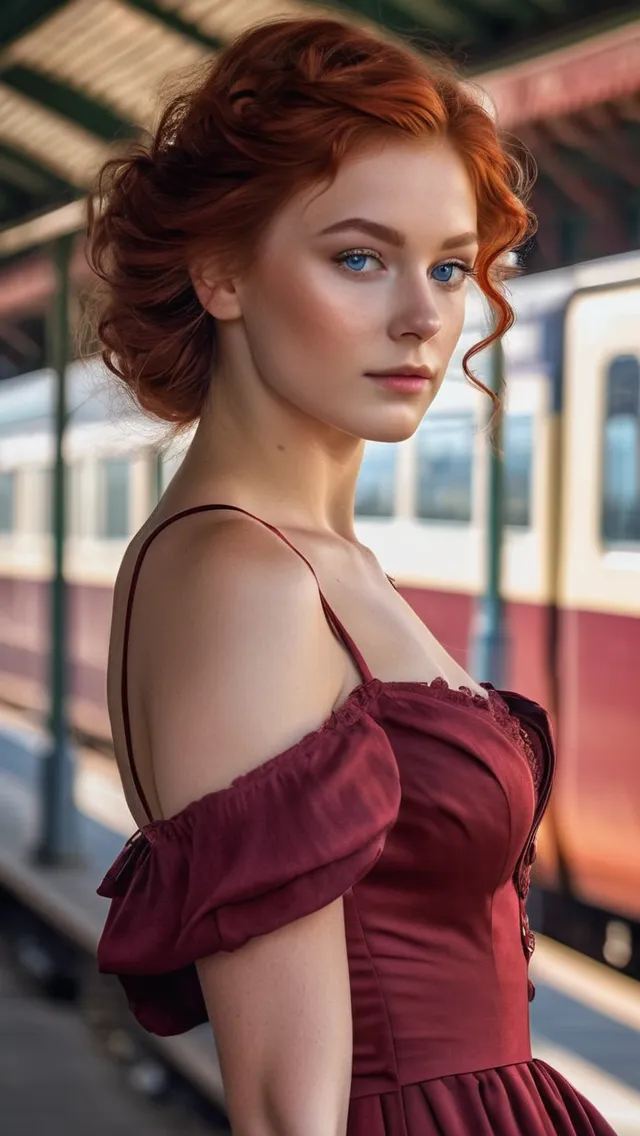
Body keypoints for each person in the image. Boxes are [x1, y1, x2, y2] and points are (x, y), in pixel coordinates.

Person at [90, 17, 616, 1136]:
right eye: (360, 258)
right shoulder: (245, 577)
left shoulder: (318, 565)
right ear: (220, 271)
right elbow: (288, 1107)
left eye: (448, 265)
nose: (424, 318)